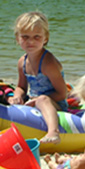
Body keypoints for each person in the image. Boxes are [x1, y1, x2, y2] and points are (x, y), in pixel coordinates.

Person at [9, 11, 69, 145]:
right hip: (33, 102)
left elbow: (62, 93)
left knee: (42, 100)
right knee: (11, 100)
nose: (30, 41)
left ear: (45, 38)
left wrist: (37, 100)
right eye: (25, 37)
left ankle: (53, 132)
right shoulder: (22, 62)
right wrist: (17, 96)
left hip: (54, 104)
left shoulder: (49, 63)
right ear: (17, 38)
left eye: (37, 37)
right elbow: (21, 86)